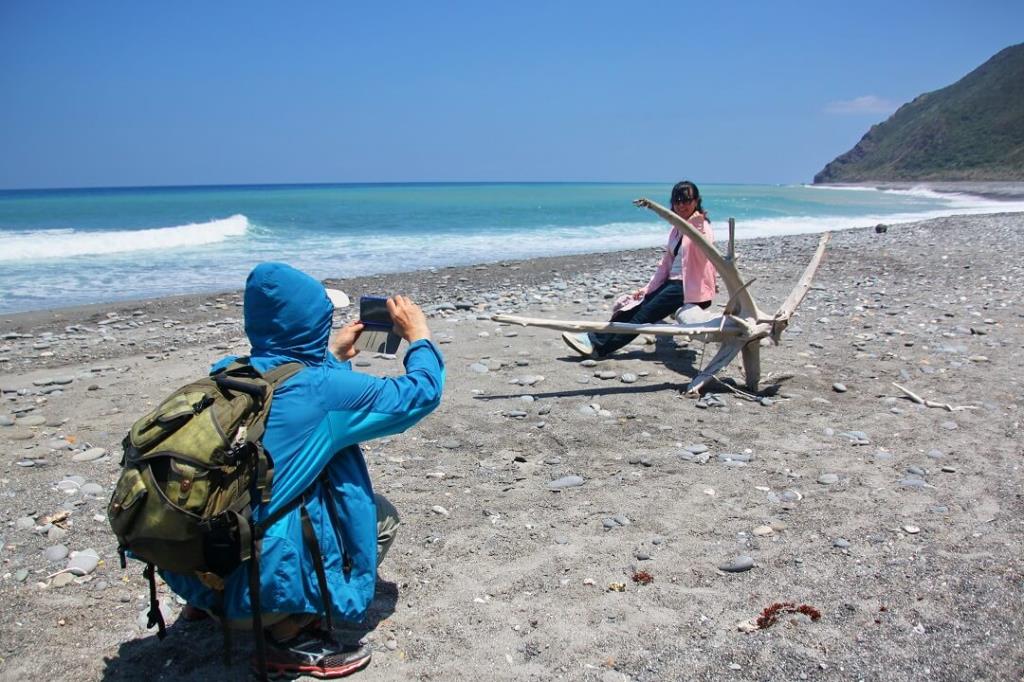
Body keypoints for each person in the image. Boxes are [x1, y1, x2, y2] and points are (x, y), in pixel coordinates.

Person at [161, 262, 445, 679]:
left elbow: (299, 395)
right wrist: (419, 337)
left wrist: (333, 357)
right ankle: (289, 632)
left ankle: (210, 601)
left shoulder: (229, 372)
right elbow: (421, 394)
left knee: (256, 498)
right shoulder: (320, 391)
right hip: (260, 585)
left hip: (196, 563)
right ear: (311, 323)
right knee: (379, 517)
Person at [562, 181, 716, 358]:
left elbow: (707, 256)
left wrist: (698, 222)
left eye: (686, 200)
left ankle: (598, 346)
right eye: (677, 201)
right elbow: (665, 265)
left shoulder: (702, 228)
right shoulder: (676, 229)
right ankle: (592, 339)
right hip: (673, 284)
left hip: (688, 289)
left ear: (696, 201)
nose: (681, 205)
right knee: (634, 306)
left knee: (643, 316)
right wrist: (647, 289)